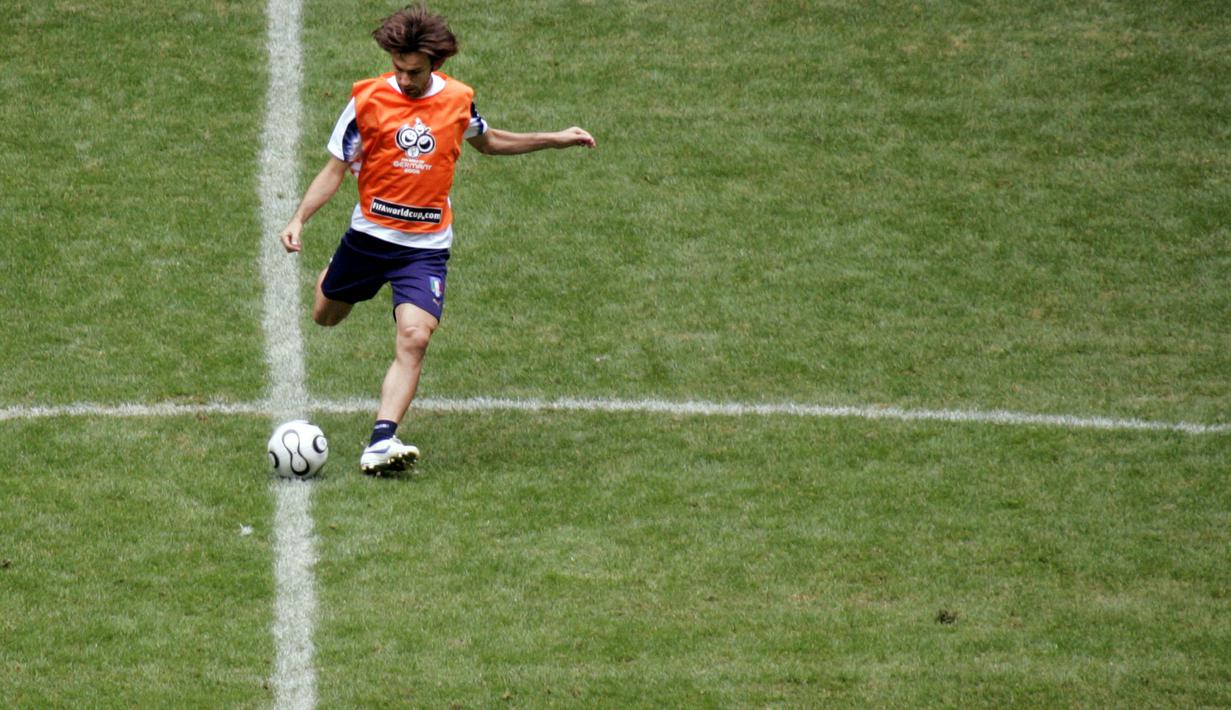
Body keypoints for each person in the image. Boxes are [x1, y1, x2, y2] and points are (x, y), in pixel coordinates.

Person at [278, 4, 595, 475]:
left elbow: (489, 142)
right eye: (399, 69)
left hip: (424, 249)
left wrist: (555, 138)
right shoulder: (366, 100)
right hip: (368, 239)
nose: (405, 79)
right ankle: (333, 275)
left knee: (415, 337)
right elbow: (335, 169)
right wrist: (300, 218)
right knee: (325, 316)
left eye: (415, 71)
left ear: (435, 65)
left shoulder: (458, 100)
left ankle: (380, 441)